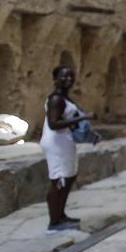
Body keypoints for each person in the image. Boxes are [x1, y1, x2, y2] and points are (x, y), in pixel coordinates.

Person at [39, 65, 94, 233]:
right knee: (58, 179)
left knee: (68, 177)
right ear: (55, 78)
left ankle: (61, 215)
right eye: (64, 76)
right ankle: (54, 222)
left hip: (64, 140)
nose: (68, 79)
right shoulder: (56, 99)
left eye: (71, 76)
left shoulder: (65, 98)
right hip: (56, 142)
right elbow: (53, 123)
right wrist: (84, 116)